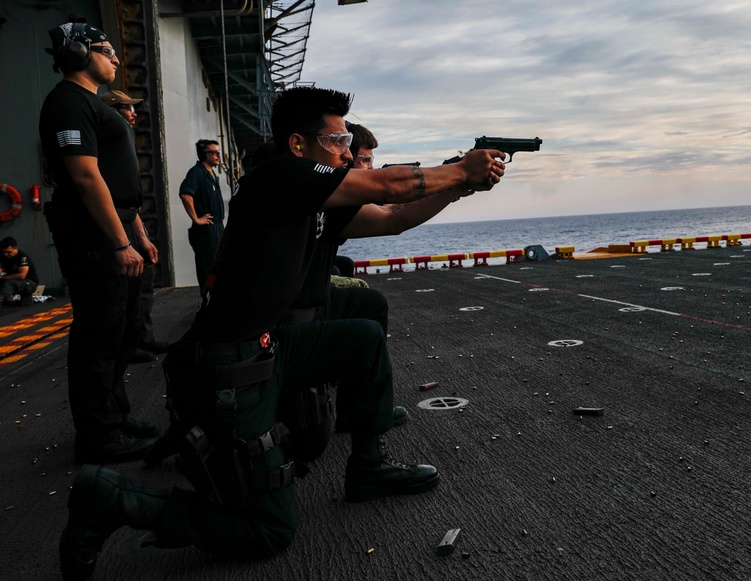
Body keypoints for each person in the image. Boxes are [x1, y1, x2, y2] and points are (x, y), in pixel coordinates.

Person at [59, 86, 505, 579]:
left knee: (362, 336)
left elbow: (393, 218)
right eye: (338, 139)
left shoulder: (312, 197)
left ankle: (368, 467)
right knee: (268, 532)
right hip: (226, 369)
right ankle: (111, 496)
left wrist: (460, 187)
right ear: (299, 145)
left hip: (264, 351)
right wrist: (462, 168)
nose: (347, 150)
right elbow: (387, 187)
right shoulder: (277, 177)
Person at [39, 21, 160, 466]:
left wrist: (137, 234)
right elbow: (86, 177)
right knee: (98, 337)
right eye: (107, 50)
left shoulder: (89, 103)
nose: (116, 58)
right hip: (93, 237)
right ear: (78, 53)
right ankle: (98, 437)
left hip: (117, 229)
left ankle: (116, 418)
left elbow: (116, 182)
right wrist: (116, 242)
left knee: (122, 332)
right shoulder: (68, 103)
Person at [100, 90, 169, 362]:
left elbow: (130, 200)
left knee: (142, 285)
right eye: (129, 108)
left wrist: (142, 237)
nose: (134, 113)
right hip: (116, 225)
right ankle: (125, 348)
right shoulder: (108, 145)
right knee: (123, 290)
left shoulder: (124, 143)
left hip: (129, 221)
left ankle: (142, 340)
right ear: (114, 111)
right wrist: (123, 241)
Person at [179, 139, 225, 292]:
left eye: (219, 152)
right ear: (205, 155)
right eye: (215, 153)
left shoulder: (211, 175)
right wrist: (196, 219)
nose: (219, 156)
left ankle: (216, 298)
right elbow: (186, 194)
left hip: (217, 228)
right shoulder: (197, 173)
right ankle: (208, 298)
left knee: (219, 267)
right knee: (209, 268)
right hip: (207, 231)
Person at [0, 237, 40, 306]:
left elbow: (22, 275)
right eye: (4, 252)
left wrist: (3, 277)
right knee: (26, 306)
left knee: (9, 284)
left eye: (9, 252)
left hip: (30, 282)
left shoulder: (22, 257)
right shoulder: (4, 257)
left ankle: (4, 300)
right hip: (16, 281)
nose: (6, 254)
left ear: (15, 248)